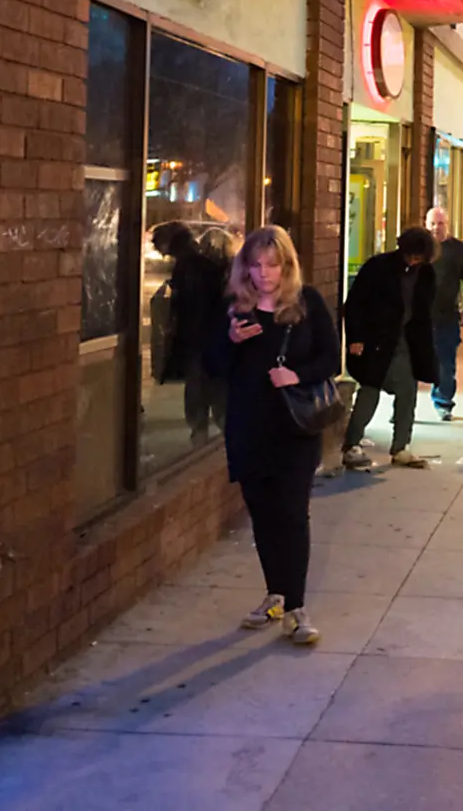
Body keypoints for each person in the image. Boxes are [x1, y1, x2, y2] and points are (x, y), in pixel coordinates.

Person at [212, 226, 339, 646]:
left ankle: (297, 607)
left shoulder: (307, 305)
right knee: (262, 515)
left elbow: (330, 359)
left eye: (273, 265)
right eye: (256, 265)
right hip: (249, 427)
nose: (264, 274)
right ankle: (275, 593)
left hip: (293, 429)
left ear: (287, 266)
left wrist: (295, 375)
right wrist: (230, 340)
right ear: (244, 267)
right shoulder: (235, 309)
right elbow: (210, 365)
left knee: (291, 514)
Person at [341, 227, 438, 469]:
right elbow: (355, 303)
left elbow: (425, 309)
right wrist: (356, 337)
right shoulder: (378, 267)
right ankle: (351, 443)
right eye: (411, 256)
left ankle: (401, 446)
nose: (414, 261)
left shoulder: (426, 273)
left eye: (419, 258)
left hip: (407, 340)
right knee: (370, 388)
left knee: (407, 391)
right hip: (377, 339)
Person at [151, 221, 230, 445]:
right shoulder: (201, 264)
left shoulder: (190, 266)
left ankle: (203, 436)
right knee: (208, 391)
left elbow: (192, 307)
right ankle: (209, 435)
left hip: (200, 339)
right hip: (207, 338)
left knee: (202, 391)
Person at [426, 207, 463, 422]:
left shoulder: (458, 250)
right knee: (409, 362)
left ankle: (443, 402)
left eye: (441, 223)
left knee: (446, 362)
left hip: (447, 315)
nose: (437, 227)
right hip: (419, 317)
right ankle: (402, 405)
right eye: (433, 224)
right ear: (427, 226)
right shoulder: (420, 248)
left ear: (448, 224)